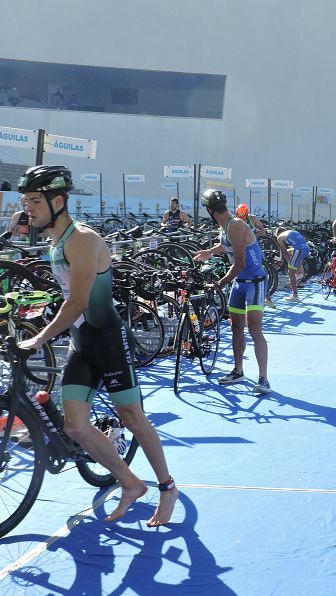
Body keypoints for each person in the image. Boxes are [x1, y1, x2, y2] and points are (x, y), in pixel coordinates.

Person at [14, 165, 178, 526]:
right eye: (25, 200)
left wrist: (41, 337)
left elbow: (80, 302)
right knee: (74, 426)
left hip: (107, 340)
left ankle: (167, 487)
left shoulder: (83, 240)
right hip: (80, 342)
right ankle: (131, 483)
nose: (28, 207)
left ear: (59, 201)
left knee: (132, 418)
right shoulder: (53, 239)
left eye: (35, 200)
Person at [194, 190, 271, 395]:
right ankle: (238, 371)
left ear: (209, 210)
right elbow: (225, 244)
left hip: (254, 282)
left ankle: (263, 379)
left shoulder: (236, 225)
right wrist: (209, 252)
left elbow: (240, 263)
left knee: (255, 330)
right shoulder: (226, 226)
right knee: (236, 328)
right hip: (239, 283)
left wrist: (219, 283)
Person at [274, 224, 311, 302]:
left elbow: (284, 252)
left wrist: (289, 264)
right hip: (306, 248)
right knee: (295, 256)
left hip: (299, 250)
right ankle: (299, 273)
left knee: (290, 272)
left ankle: (295, 295)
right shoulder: (292, 232)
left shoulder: (279, 237)